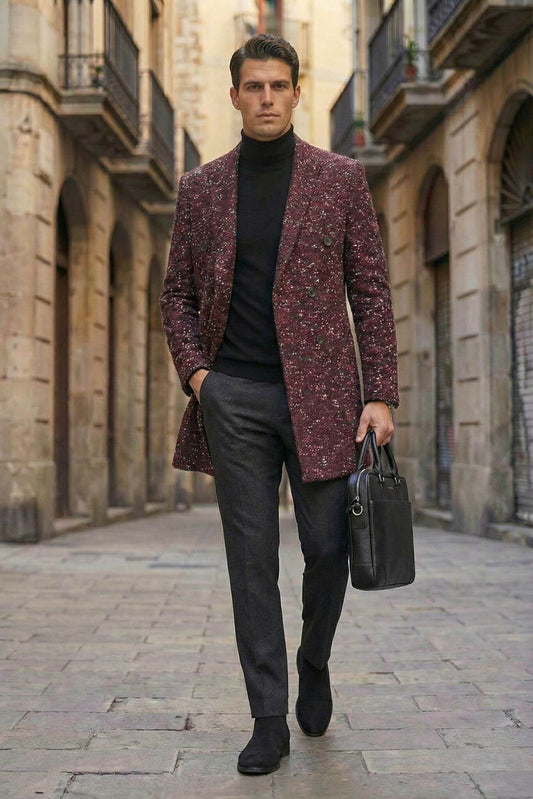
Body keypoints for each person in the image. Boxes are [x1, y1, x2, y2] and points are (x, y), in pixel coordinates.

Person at [160, 34, 398, 776]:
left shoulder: (339, 180)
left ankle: (313, 658)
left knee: (327, 547)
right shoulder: (200, 188)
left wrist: (379, 393)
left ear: (297, 92)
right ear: (235, 95)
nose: (266, 98)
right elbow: (176, 296)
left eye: (278, 85)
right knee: (251, 559)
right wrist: (200, 377)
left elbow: (370, 290)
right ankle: (268, 716)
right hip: (234, 398)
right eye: (253, 86)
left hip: (323, 396)